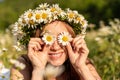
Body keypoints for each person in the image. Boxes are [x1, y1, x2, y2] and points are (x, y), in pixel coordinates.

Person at [10, 3, 101, 80]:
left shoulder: (82, 62)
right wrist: (38, 70)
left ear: (73, 40)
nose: (55, 47)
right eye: (48, 38)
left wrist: (81, 68)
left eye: (62, 38)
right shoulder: (22, 64)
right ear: (35, 40)